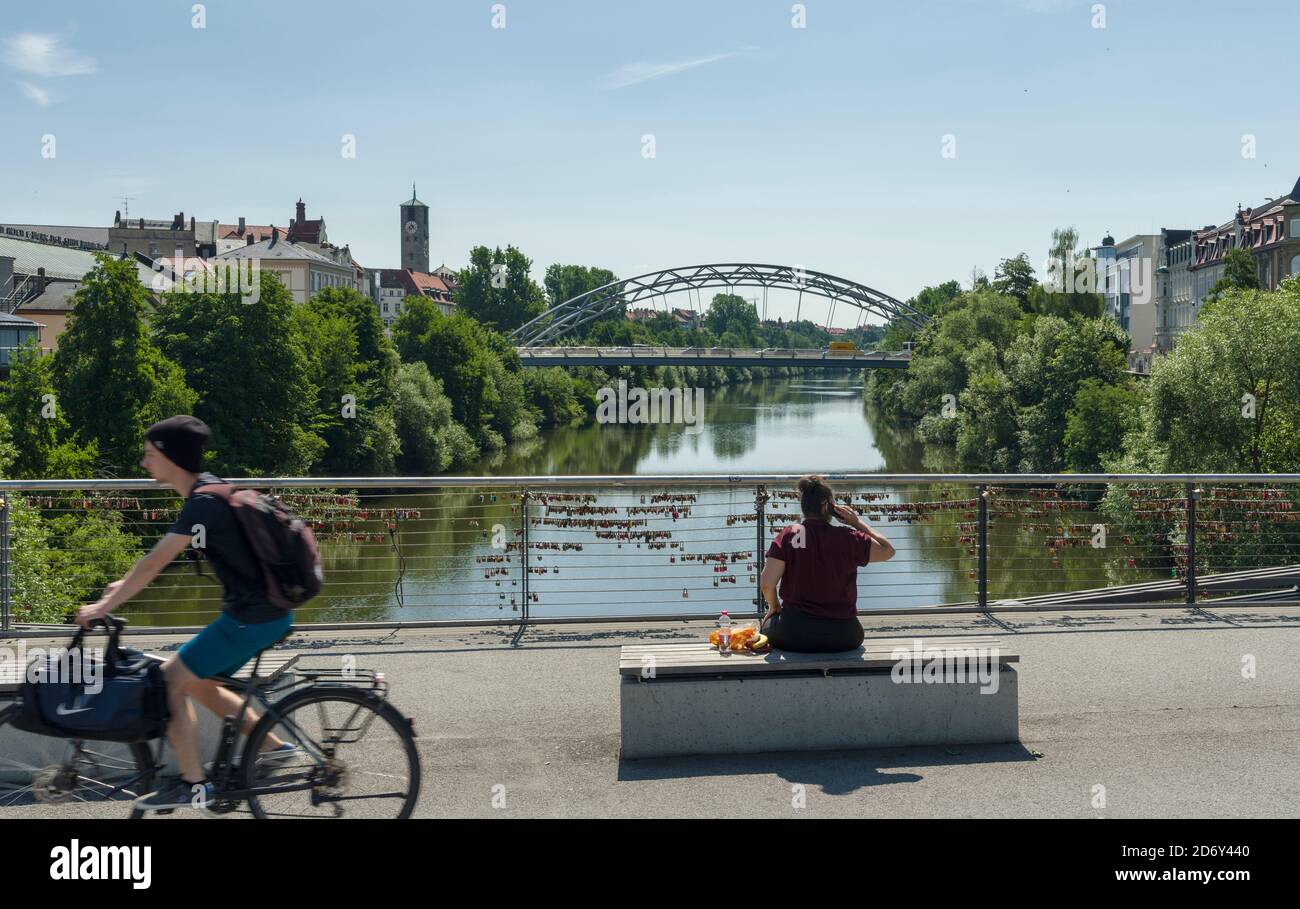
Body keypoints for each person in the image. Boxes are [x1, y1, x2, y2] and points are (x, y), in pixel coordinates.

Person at [76, 415, 298, 813]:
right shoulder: (209, 489)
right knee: (198, 682)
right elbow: (151, 561)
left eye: (148, 455)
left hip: (251, 619)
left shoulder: (202, 504)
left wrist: (105, 606)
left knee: (169, 680)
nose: (143, 464)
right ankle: (276, 749)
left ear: (170, 457)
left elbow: (156, 561)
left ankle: (193, 785)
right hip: (262, 613)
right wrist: (118, 589)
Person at [758, 475, 896, 652]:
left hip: (794, 634)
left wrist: (774, 607)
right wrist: (857, 523)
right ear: (828, 507)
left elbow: (766, 584)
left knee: (767, 624)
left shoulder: (789, 534)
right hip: (844, 636)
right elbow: (888, 551)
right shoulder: (848, 538)